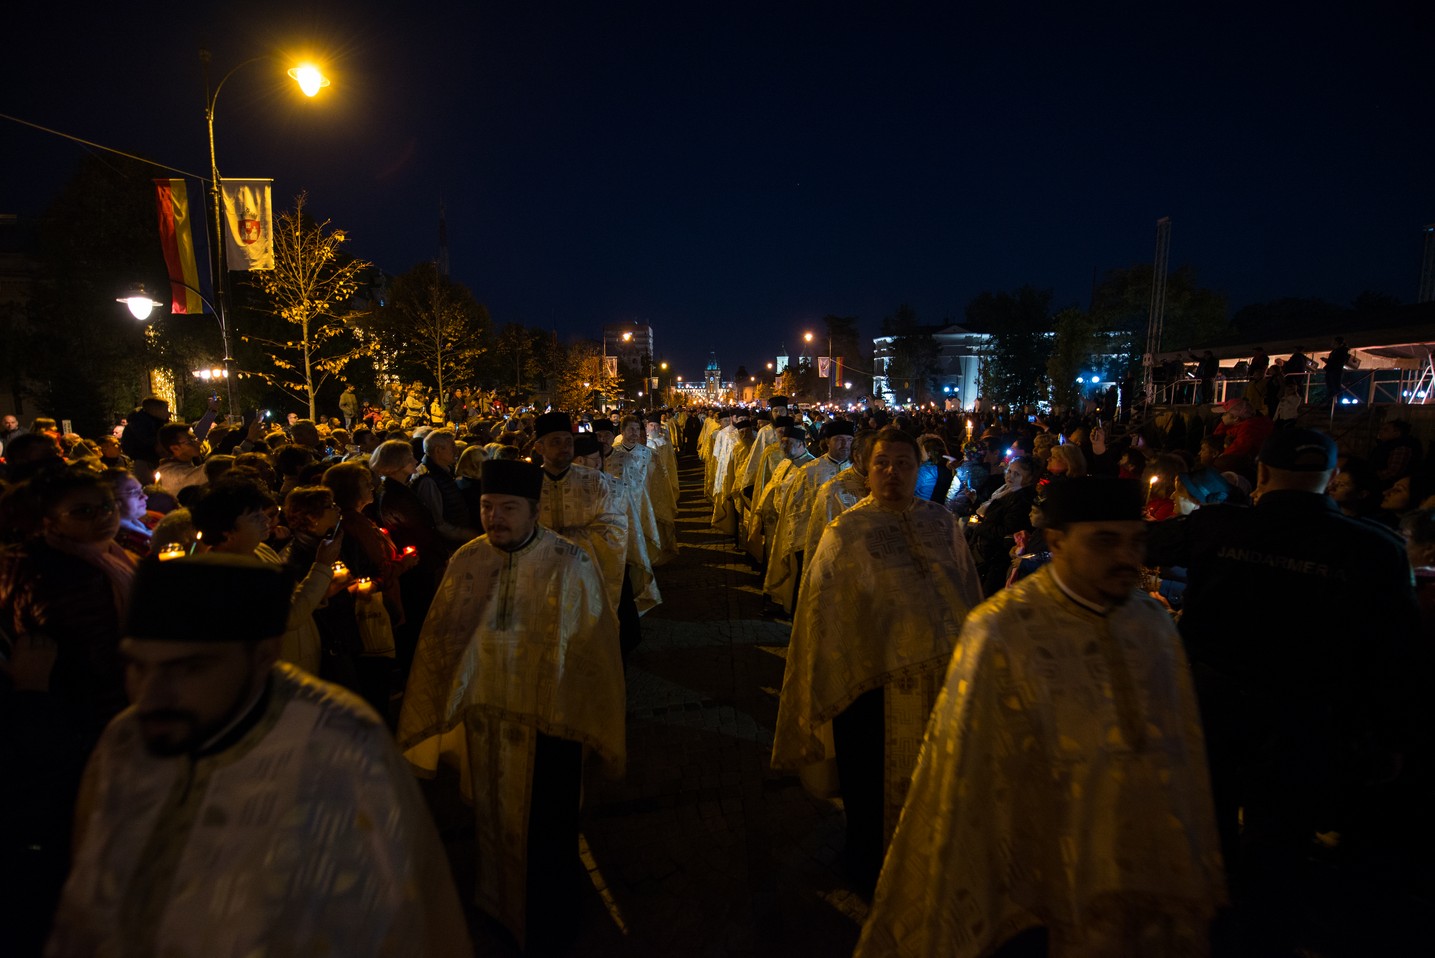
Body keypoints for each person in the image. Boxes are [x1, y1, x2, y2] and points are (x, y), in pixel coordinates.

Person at [858, 478, 1226, 958]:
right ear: (1056, 542)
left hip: (1138, 869)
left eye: (1135, 541)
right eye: (1104, 541)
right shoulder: (1002, 629)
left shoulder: (1152, 624)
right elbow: (965, 771)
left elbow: (1183, 751)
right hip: (1035, 873)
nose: (1126, 558)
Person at [46, 554, 469, 957]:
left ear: (263, 656)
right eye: (138, 666)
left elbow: (405, 915)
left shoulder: (339, 744)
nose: (151, 695)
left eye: (189, 669)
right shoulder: (124, 741)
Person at [1146, 428, 1423, 955]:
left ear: (1264, 475)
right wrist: (1391, 737)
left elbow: (1148, 540)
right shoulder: (1374, 549)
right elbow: (1395, 655)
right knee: (1282, 842)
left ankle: (1210, 930)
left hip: (1215, 710)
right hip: (1309, 722)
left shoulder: (1217, 525)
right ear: (1330, 478)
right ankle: (1265, 936)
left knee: (1211, 826)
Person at [397, 460, 624, 951]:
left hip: (551, 723)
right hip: (488, 715)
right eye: (486, 507)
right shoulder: (468, 560)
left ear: (534, 511)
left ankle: (551, 919)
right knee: (493, 818)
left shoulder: (570, 562)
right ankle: (496, 904)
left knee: (549, 831)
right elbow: (442, 638)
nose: (493, 517)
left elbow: (593, 650)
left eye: (506, 508)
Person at [772, 427, 981, 892]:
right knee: (871, 788)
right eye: (882, 463)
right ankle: (870, 870)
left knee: (936, 782)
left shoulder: (943, 524)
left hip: (940, 684)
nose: (892, 473)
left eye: (904, 463)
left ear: (918, 469)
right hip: (869, 686)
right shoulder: (845, 532)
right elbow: (822, 613)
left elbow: (967, 591)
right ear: (866, 469)